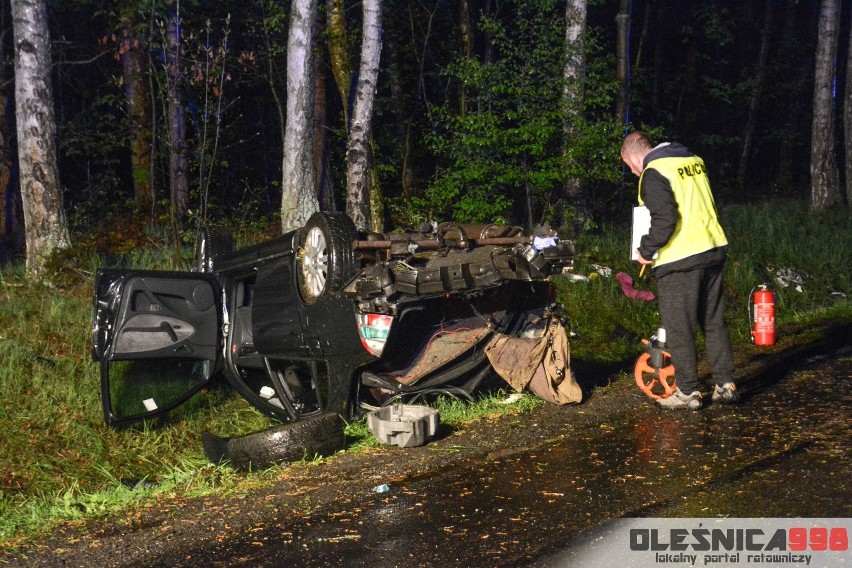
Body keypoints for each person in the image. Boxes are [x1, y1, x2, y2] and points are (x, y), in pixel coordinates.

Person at [620, 131, 739, 409]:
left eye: (630, 166)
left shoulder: (654, 171)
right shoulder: (692, 160)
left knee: (679, 327)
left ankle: (687, 392)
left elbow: (665, 218)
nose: (634, 172)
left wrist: (646, 250)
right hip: (712, 249)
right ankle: (726, 384)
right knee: (712, 321)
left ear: (634, 156)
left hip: (680, 258)